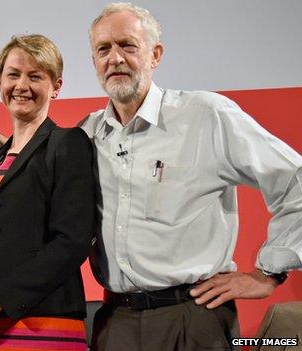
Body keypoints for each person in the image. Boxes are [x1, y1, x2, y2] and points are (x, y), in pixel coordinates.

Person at [80, 3, 302, 350]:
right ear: (94, 62)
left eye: (128, 45)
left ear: (155, 55)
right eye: (103, 49)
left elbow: (296, 181)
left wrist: (268, 273)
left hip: (193, 319)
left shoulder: (206, 115)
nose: (116, 58)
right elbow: (38, 167)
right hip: (116, 322)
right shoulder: (89, 133)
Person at [0, 34, 96, 351]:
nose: (21, 85)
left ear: (56, 86)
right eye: (13, 74)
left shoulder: (69, 144)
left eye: (36, 76)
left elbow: (72, 241)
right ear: (0, 81)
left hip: (41, 324)